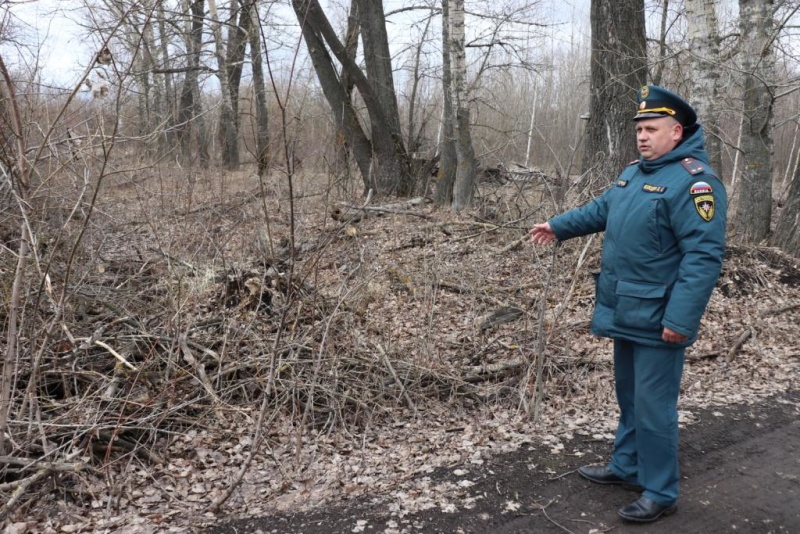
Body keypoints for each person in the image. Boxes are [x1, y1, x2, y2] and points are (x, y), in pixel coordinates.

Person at [529, 85, 727, 523]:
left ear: (676, 132)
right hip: (625, 306)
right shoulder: (634, 173)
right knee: (630, 396)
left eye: (651, 128)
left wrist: (681, 319)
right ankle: (628, 465)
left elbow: (703, 257)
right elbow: (602, 210)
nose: (642, 136)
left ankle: (660, 490)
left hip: (661, 317)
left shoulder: (695, 183)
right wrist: (558, 226)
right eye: (639, 128)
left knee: (655, 408)